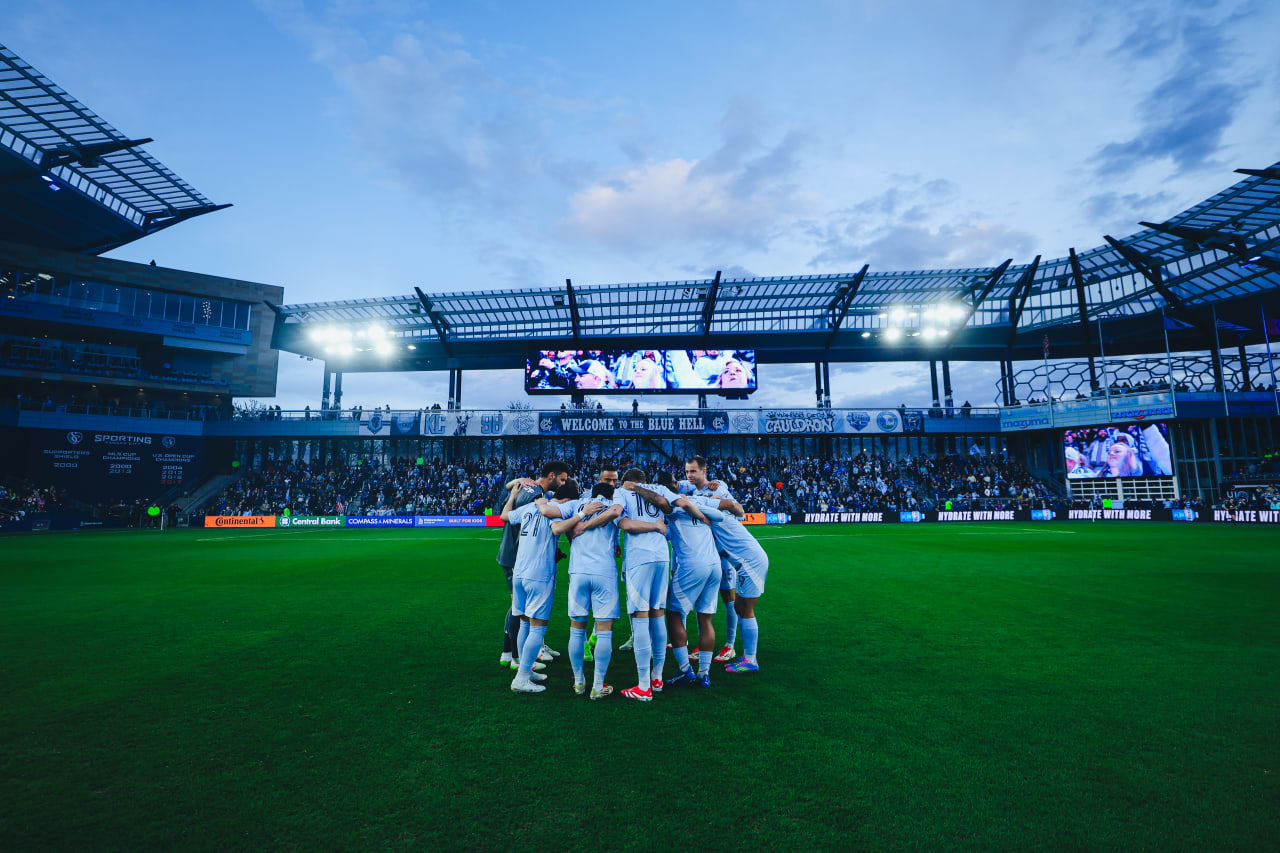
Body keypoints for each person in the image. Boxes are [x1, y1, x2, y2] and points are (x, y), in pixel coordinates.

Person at [626, 473, 726, 689]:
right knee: (705, 618)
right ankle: (704, 674)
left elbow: (663, 532)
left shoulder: (669, 512)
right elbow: (720, 516)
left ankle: (685, 670)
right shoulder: (693, 502)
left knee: (673, 614)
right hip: (714, 565)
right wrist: (701, 514)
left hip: (692, 566)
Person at [503, 478, 594, 694]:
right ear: (570, 499)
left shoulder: (531, 505)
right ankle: (522, 678)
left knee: (525, 623)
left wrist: (513, 496)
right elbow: (557, 529)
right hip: (539, 574)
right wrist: (581, 515)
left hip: (520, 573)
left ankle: (526, 669)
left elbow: (504, 516)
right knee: (537, 627)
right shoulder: (559, 509)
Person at [495, 461, 570, 672]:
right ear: (552, 476)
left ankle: (531, 649)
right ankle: (513, 655)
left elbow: (510, 487)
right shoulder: (537, 497)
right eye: (562, 479)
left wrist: (516, 480)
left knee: (527, 608)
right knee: (520, 609)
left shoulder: (531, 488)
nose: (563, 483)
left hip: (516, 555)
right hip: (516, 556)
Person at [560, 483, 625, 699]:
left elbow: (552, 509)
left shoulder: (577, 504)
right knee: (604, 630)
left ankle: (578, 682)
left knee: (577, 630)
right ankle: (597, 686)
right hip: (603, 572)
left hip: (578, 572)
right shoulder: (616, 504)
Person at [614, 469, 673, 701]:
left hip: (641, 558)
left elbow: (625, 524)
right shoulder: (657, 490)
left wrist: (653, 527)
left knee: (640, 617)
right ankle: (657, 678)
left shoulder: (622, 492)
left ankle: (643, 686)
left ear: (626, 482)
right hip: (661, 556)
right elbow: (669, 506)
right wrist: (658, 526)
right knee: (658, 615)